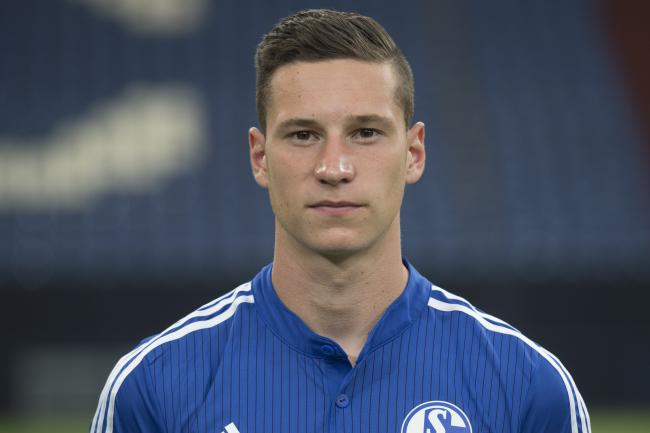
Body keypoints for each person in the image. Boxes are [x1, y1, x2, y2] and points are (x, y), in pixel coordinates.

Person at [90, 9, 590, 433]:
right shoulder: (153, 387)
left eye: (366, 132)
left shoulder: (528, 388)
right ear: (260, 158)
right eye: (303, 135)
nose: (334, 168)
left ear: (414, 153)